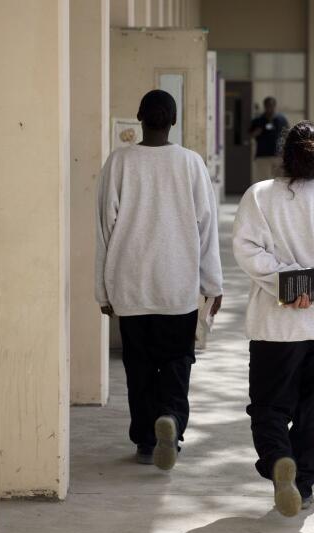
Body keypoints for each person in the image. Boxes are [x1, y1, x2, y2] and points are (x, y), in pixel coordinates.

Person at [233, 121, 314, 516]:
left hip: (276, 327)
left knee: (269, 407)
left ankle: (278, 462)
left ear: (283, 153)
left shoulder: (258, 197)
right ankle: (303, 483)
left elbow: (248, 249)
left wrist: (288, 286)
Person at [95, 90, 223, 471]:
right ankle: (170, 419)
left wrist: (102, 290)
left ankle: (146, 440)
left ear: (139, 117)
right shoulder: (191, 163)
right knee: (177, 362)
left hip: (131, 287)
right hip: (177, 287)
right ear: (174, 120)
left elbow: (105, 228)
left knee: (138, 367)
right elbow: (207, 227)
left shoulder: (119, 162)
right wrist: (212, 285)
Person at [249, 96, 289, 183]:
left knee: (280, 181)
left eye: (272, 105)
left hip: (278, 156)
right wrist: (256, 132)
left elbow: (287, 135)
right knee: (263, 181)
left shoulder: (281, 119)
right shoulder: (258, 120)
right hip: (263, 156)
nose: (270, 108)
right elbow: (250, 135)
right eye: (267, 106)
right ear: (264, 106)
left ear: (275, 106)